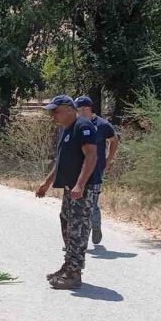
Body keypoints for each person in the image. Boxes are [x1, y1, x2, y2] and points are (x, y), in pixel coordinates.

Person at [35, 95, 99, 289]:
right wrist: (46, 183)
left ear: (70, 109)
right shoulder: (66, 130)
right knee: (67, 222)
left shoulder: (83, 126)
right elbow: (61, 161)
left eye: (56, 111)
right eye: (51, 112)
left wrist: (80, 184)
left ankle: (74, 274)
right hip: (71, 188)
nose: (53, 115)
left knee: (78, 229)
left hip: (83, 188)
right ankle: (68, 266)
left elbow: (91, 156)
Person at [73, 96, 118, 245]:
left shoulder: (102, 124)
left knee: (91, 203)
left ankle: (96, 225)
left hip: (96, 169)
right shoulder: (75, 124)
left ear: (88, 109)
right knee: (74, 203)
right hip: (77, 170)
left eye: (81, 109)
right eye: (77, 110)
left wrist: (108, 159)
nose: (79, 112)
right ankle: (73, 239)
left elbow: (113, 140)